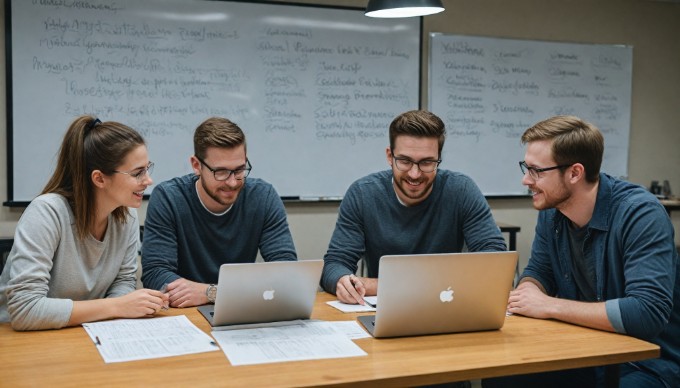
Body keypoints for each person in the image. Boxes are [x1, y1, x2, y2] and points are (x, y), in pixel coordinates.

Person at [484, 115, 680, 387]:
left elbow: (646, 312)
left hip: (644, 362)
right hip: (581, 351)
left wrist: (548, 305)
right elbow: (540, 272)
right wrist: (526, 293)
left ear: (575, 173)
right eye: (525, 168)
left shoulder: (640, 214)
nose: (526, 181)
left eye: (536, 171)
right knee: (501, 379)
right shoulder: (553, 211)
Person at [321, 110, 507, 305]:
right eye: (405, 161)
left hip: (447, 305)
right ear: (389, 156)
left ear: (438, 159)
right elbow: (335, 264)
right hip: (387, 308)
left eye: (427, 162)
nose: (415, 173)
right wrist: (343, 281)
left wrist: (374, 285)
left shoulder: (461, 190)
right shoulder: (363, 194)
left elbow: (494, 260)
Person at [0, 115, 167, 331]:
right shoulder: (46, 213)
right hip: (21, 342)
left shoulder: (126, 215)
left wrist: (123, 306)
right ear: (99, 179)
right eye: (138, 173)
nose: (148, 180)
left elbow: (123, 283)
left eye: (147, 168)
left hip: (82, 332)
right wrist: (116, 306)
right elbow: (25, 310)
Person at [141, 117, 297, 308]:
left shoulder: (263, 197)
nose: (232, 182)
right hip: (186, 314)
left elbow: (286, 272)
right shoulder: (169, 198)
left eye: (239, 170)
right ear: (196, 165)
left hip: (241, 309)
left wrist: (211, 292)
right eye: (221, 172)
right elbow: (155, 274)